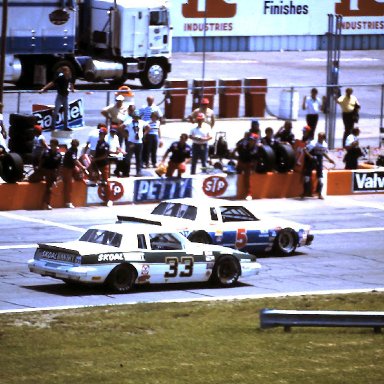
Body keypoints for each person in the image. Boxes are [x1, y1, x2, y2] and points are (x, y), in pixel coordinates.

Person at [28, 138, 62, 210]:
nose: (51, 146)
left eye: (53, 145)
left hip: (51, 171)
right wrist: (38, 169)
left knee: (49, 188)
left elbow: (59, 166)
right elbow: (41, 161)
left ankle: (47, 204)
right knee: (31, 179)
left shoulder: (58, 155)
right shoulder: (46, 152)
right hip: (43, 170)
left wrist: (57, 176)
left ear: (56, 146)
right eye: (51, 144)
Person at [39, 65, 74, 131]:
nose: (67, 72)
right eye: (65, 71)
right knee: (56, 112)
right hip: (60, 96)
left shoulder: (69, 78)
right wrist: (44, 88)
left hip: (65, 97)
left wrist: (72, 89)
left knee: (66, 112)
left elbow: (71, 84)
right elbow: (52, 83)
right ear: (64, 72)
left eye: (68, 71)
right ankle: (53, 127)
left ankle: (66, 126)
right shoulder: (60, 78)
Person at [302, 132, 335, 200]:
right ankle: (305, 192)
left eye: (320, 137)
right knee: (307, 177)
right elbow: (305, 150)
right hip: (311, 160)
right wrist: (310, 156)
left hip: (319, 160)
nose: (319, 138)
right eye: (318, 136)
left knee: (320, 178)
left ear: (323, 138)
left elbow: (323, 152)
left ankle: (319, 193)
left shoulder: (325, 144)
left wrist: (329, 159)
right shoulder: (313, 143)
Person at [62, 139, 86, 208]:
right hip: (67, 168)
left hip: (72, 167)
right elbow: (75, 160)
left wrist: (79, 168)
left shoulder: (75, 150)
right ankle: (68, 202)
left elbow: (75, 160)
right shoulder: (70, 151)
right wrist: (82, 166)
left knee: (79, 174)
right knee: (68, 185)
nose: (75, 146)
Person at [91, 127, 112, 206]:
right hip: (97, 164)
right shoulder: (98, 143)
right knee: (98, 180)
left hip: (103, 165)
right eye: (100, 134)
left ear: (105, 135)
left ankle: (108, 199)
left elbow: (105, 155)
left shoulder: (105, 144)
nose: (100, 135)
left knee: (106, 182)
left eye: (102, 134)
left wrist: (95, 159)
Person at [234, 132, 259, 200]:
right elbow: (237, 146)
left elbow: (256, 160)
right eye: (250, 140)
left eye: (253, 140)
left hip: (248, 164)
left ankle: (249, 194)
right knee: (236, 174)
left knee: (247, 179)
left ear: (255, 141)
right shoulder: (243, 145)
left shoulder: (256, 149)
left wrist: (254, 169)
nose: (251, 141)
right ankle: (234, 192)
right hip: (241, 162)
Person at [123, 110, 148, 177]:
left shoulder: (142, 122)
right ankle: (126, 172)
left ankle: (138, 172)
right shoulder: (129, 122)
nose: (136, 118)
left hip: (139, 142)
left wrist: (144, 134)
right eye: (135, 117)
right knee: (128, 157)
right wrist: (126, 136)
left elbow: (148, 127)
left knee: (139, 158)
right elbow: (121, 127)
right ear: (133, 117)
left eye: (137, 117)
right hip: (131, 142)